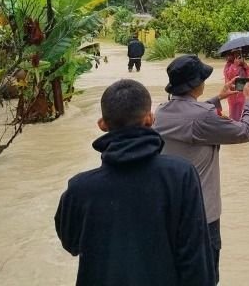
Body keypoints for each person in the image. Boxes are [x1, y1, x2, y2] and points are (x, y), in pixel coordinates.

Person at [55, 79, 216, 286]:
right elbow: (197, 260)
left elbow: (71, 244)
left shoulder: (79, 188)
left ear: (102, 124)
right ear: (150, 119)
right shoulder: (181, 175)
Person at [153, 55, 249, 285]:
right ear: (196, 84)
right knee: (206, 278)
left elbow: (189, 118)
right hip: (202, 216)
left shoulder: (160, 112)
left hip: (170, 213)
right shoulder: (202, 117)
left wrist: (218, 98)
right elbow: (243, 132)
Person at [223, 49, 249, 120]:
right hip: (232, 93)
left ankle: (241, 124)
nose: (237, 56)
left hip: (242, 92)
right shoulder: (228, 66)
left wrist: (245, 66)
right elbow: (229, 76)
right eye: (235, 54)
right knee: (233, 113)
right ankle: (233, 124)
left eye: (239, 54)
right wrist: (235, 65)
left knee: (242, 112)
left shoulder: (243, 65)